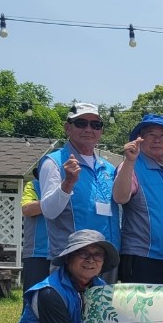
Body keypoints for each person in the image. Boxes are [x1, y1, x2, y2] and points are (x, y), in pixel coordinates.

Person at [37, 103, 120, 278]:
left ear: (101, 131)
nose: (89, 129)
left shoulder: (109, 169)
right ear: (68, 128)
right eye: (81, 123)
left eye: (95, 125)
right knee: (71, 305)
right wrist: (68, 183)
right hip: (74, 260)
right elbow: (49, 212)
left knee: (102, 306)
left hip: (104, 260)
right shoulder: (54, 163)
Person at [113, 114, 163, 285]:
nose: (157, 139)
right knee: (139, 311)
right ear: (139, 140)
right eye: (150, 134)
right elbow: (120, 197)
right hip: (142, 258)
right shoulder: (132, 165)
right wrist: (129, 161)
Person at [20, 173, 50, 291]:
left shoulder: (74, 188)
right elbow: (27, 209)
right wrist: (56, 199)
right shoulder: (34, 185)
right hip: (37, 253)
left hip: (64, 253)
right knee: (33, 297)